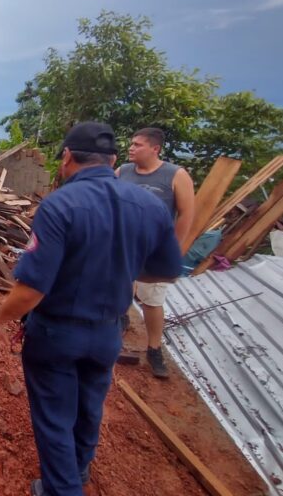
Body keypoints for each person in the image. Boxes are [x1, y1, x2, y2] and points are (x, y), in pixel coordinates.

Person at [0, 122, 182, 496]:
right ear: (112, 161)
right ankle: (78, 471)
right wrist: (122, 264)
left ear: (67, 157)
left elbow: (31, 289)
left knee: (55, 418)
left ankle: (62, 489)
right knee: (90, 405)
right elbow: (169, 271)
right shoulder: (150, 205)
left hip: (56, 334)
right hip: (108, 332)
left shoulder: (61, 205)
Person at [117, 127, 195, 378]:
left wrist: (174, 247)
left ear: (155, 149)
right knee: (121, 288)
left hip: (155, 249)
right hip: (125, 246)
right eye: (131, 143)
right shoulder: (122, 172)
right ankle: (121, 320)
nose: (131, 148)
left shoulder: (175, 175)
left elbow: (186, 213)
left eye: (137, 144)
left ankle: (154, 348)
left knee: (152, 299)